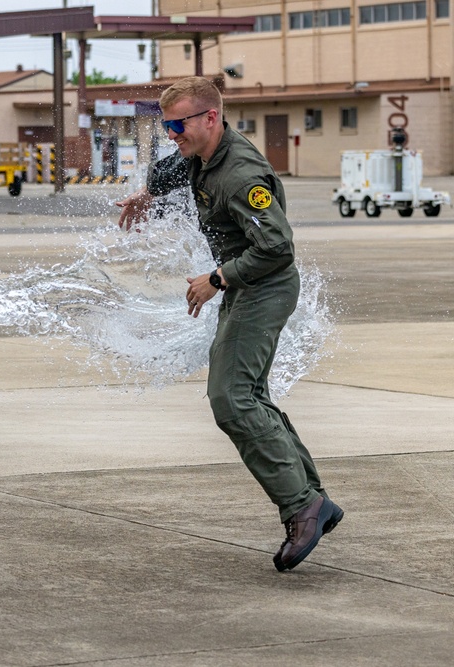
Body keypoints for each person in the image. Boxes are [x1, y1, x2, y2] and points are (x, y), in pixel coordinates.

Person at [116, 76, 343, 572]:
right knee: (248, 395)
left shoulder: (240, 174)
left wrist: (217, 278)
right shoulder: (201, 153)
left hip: (263, 285)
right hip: (247, 286)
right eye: (166, 124)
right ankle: (312, 497)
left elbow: (278, 247)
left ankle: (301, 505)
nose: (172, 133)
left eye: (178, 125)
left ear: (211, 118)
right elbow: (174, 167)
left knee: (231, 399)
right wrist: (147, 195)